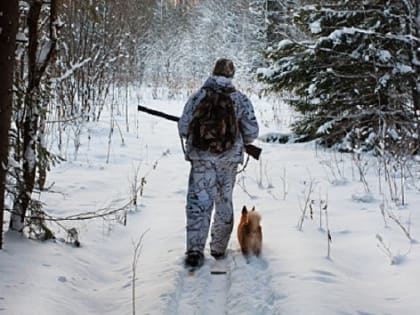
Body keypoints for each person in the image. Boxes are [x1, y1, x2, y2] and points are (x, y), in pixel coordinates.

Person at [178, 58, 259, 268]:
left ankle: (195, 251)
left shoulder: (198, 97)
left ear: (212, 72)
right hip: (228, 161)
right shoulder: (240, 99)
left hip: (201, 160)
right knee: (224, 201)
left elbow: (183, 126)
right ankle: (218, 248)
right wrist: (237, 141)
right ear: (232, 76)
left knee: (198, 202)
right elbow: (252, 132)